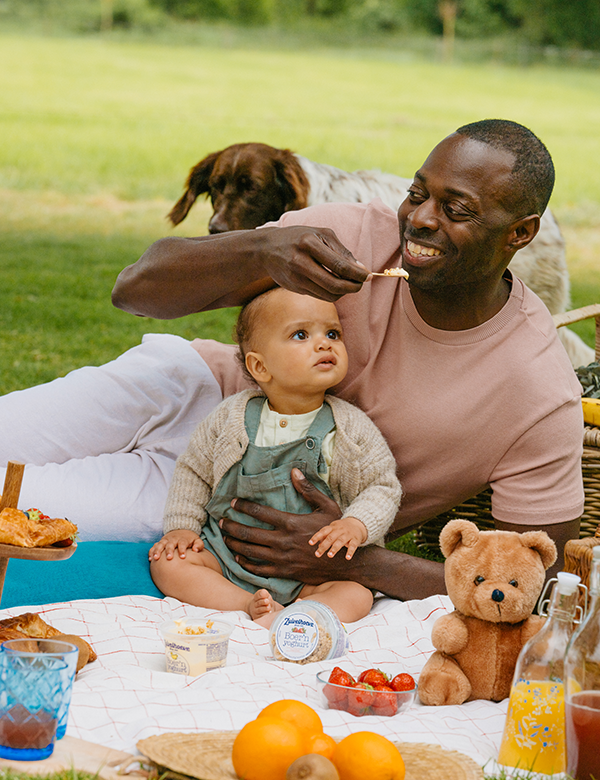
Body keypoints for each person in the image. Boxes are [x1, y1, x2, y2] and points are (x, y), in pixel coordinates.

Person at [0, 119, 584, 602]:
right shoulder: (352, 235)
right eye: (417, 193)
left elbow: (537, 585)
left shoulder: (534, 390)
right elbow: (135, 290)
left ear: (521, 233)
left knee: (18, 509)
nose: (422, 219)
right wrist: (256, 249)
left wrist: (357, 559)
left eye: (456, 208)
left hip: (220, 494)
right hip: (185, 388)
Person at [149, 287, 401, 626]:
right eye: (301, 334)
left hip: (311, 571)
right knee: (169, 564)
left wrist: (356, 525)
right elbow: (194, 471)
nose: (324, 343)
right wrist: (181, 528)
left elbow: (382, 486)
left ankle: (296, 617)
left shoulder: (350, 428)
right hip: (227, 555)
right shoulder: (231, 419)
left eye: (332, 333)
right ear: (260, 366)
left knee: (357, 594)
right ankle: (246, 604)